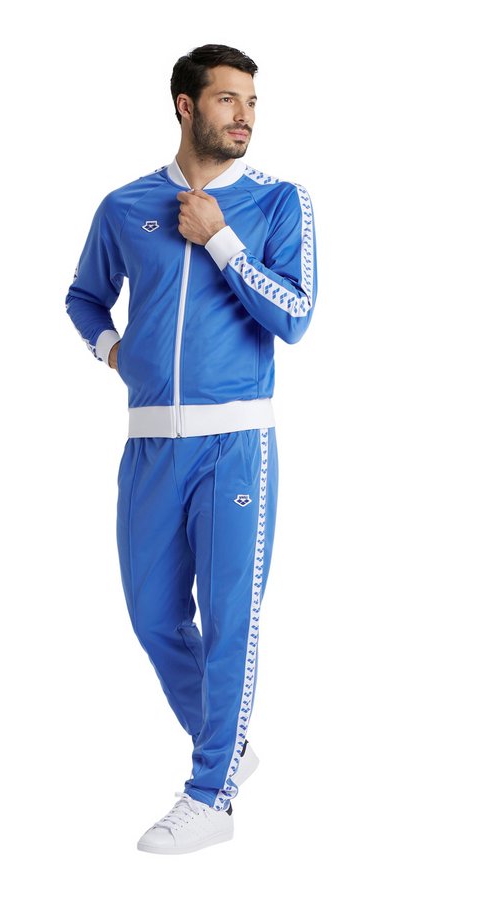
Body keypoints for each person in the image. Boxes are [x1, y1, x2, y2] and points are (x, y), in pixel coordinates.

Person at [64, 43, 318, 854]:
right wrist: (114, 350)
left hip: (237, 443)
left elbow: (295, 315)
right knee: (153, 615)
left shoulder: (279, 201)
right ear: (186, 105)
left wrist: (222, 241)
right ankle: (228, 742)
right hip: (148, 446)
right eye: (227, 99)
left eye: (253, 102)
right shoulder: (124, 205)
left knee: (230, 620)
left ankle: (212, 793)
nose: (245, 115)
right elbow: (83, 296)